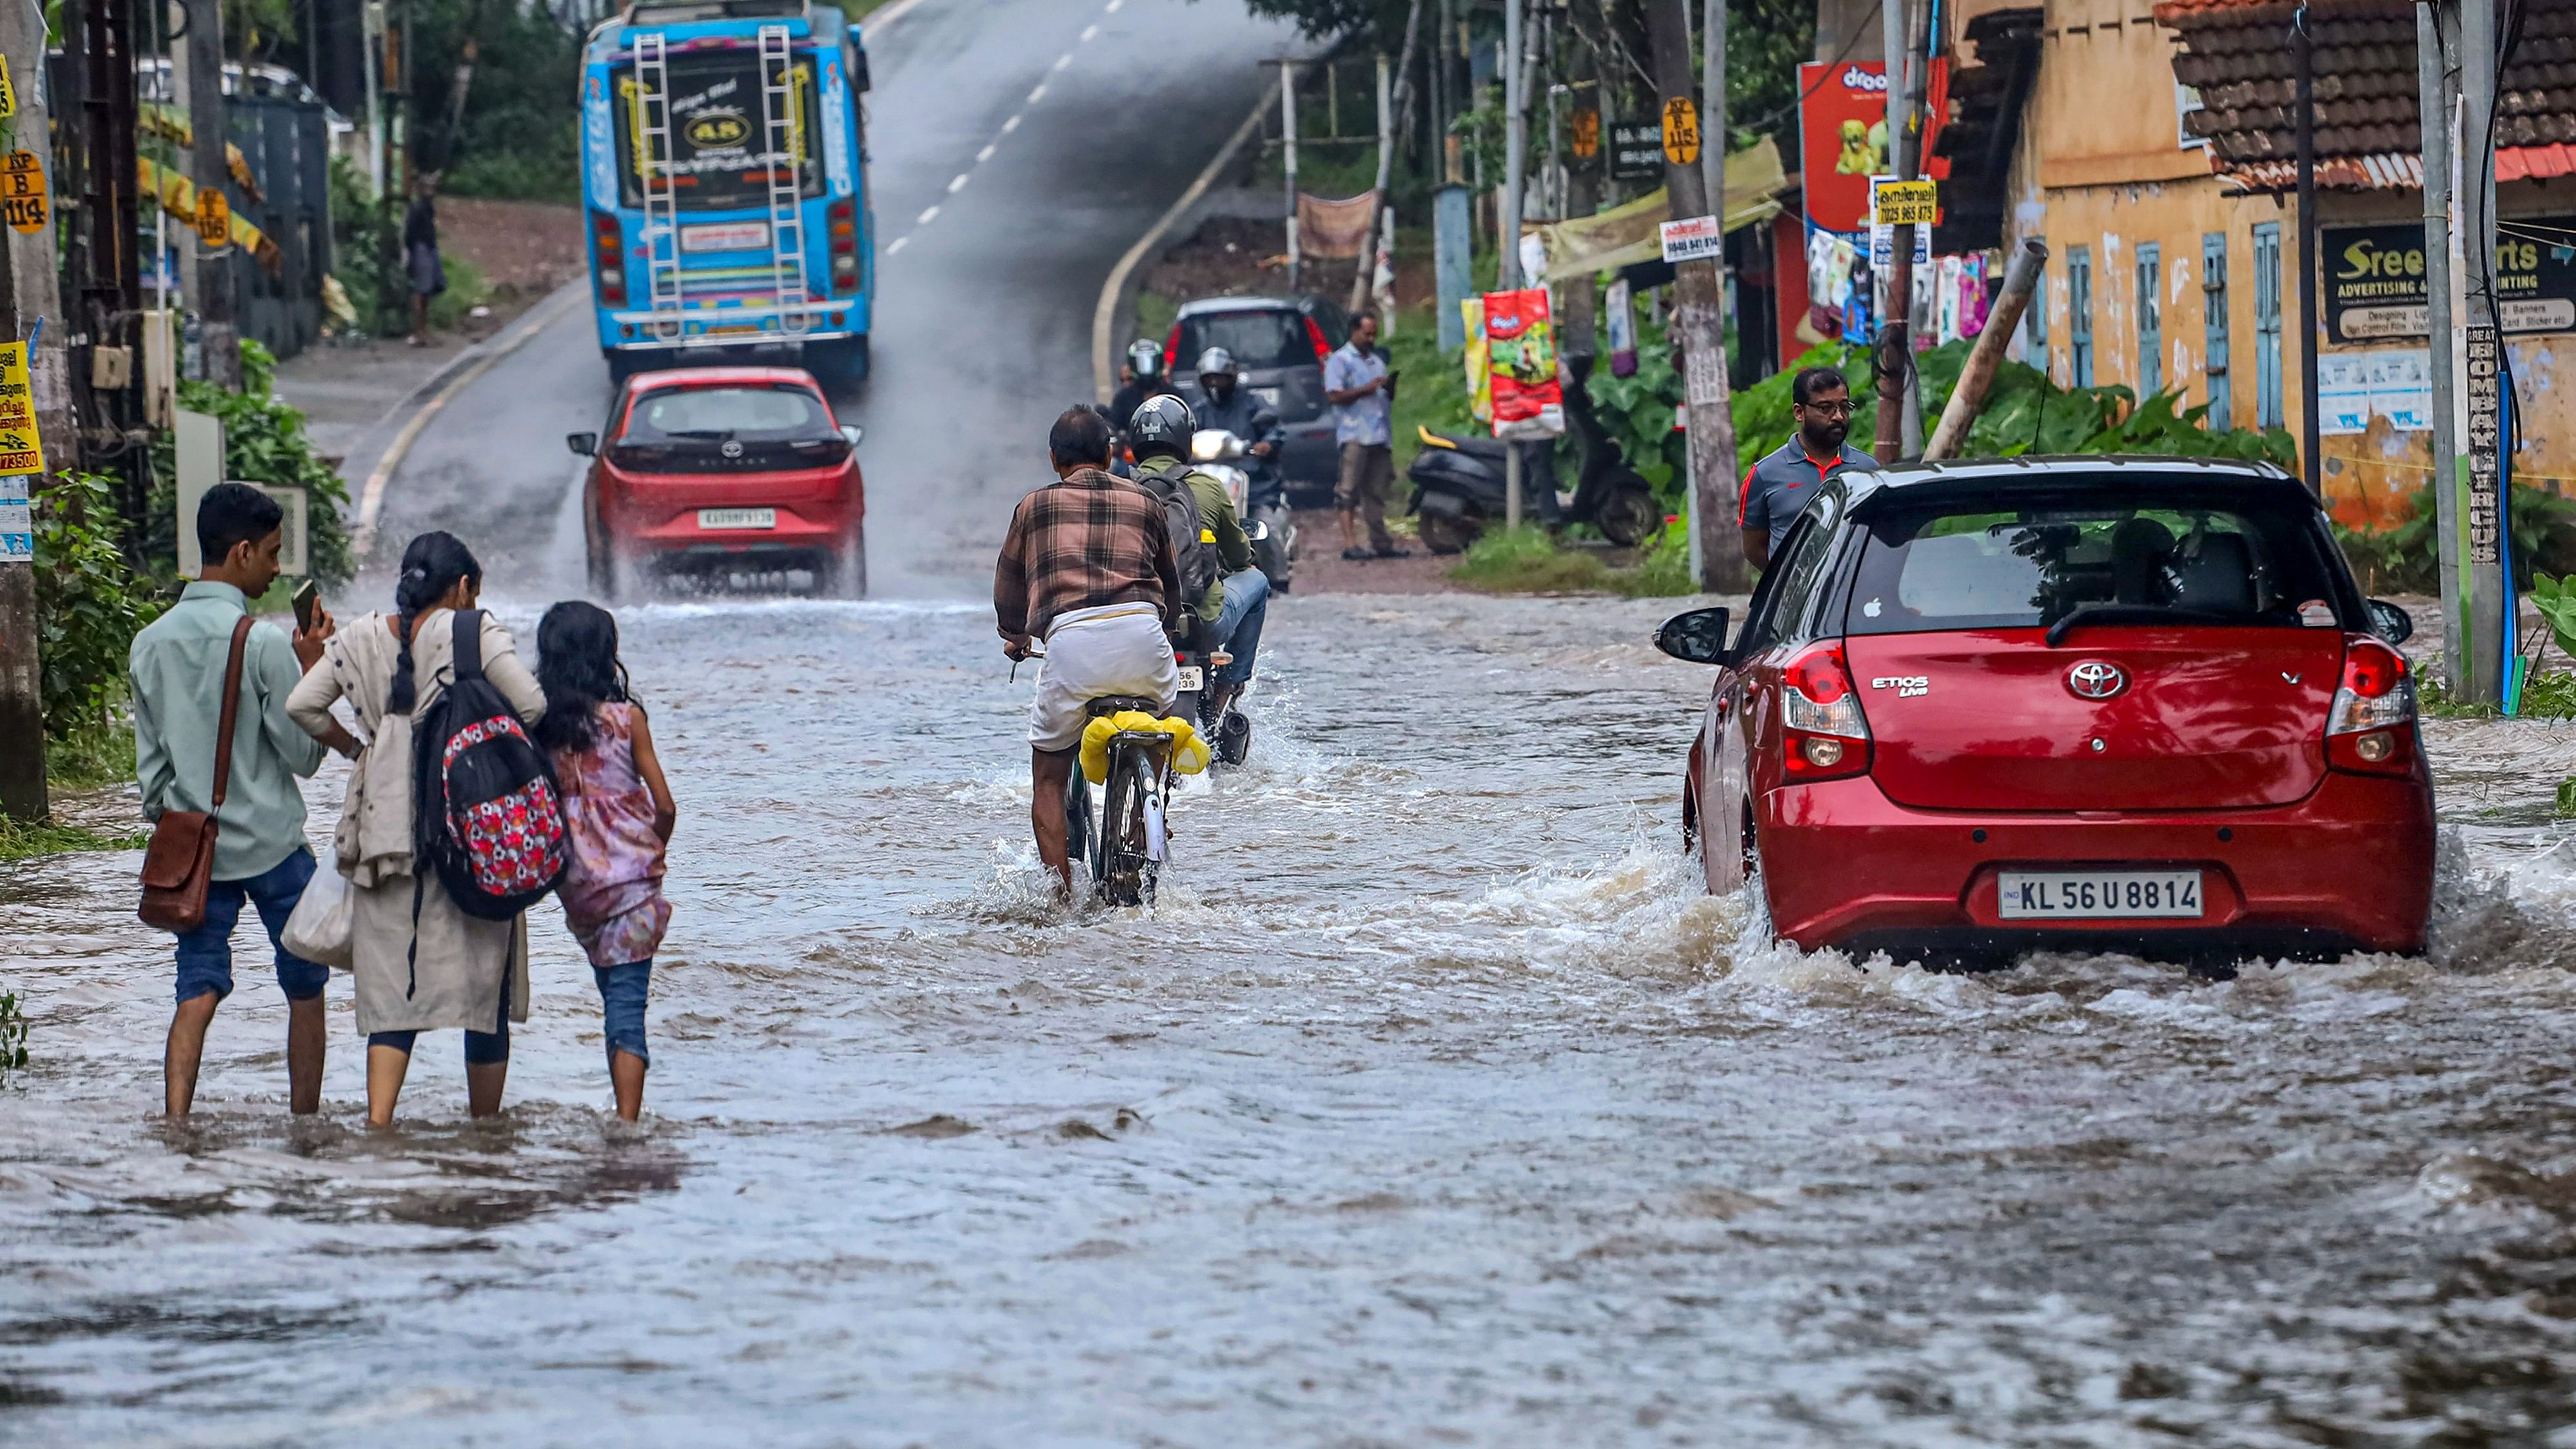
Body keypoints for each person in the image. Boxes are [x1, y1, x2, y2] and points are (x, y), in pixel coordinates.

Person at [287, 532, 545, 1127]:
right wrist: (482, 740)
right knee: (486, 997)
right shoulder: (473, 632)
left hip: (383, 831)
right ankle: (486, 1134)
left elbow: (302, 705)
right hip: (470, 825)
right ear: (461, 589)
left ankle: (379, 1127)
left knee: (391, 995)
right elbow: (530, 705)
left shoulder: (355, 639)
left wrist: (358, 747)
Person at [133, 484, 357, 1118]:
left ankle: (176, 1122)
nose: (277, 568)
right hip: (275, 849)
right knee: (305, 985)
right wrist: (313, 669)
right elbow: (303, 756)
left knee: (197, 987)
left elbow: (152, 776)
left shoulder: (149, 643)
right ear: (240, 553)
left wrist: (183, 825)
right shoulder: (260, 644)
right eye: (271, 553)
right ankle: (305, 1124)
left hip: (196, 853)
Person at [995, 406, 1184, 897]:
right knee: (1162, 723)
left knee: (1049, 778)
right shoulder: (1145, 501)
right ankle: (1143, 825)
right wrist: (1161, 628)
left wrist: (1015, 634)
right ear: (1109, 454)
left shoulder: (1033, 506)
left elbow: (1009, 585)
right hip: (1144, 637)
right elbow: (1171, 583)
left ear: (1054, 459)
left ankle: (1059, 900)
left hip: (1073, 647)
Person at [535, 602, 675, 1123]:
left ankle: (622, 1110)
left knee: (610, 997)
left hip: (576, 890)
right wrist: (650, 850)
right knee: (627, 1007)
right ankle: (627, 1124)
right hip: (631, 888)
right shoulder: (626, 720)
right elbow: (664, 805)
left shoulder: (542, 727)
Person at [1127, 393, 1266, 742]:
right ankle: (1228, 687)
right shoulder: (1208, 486)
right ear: (1183, 438)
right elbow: (1238, 557)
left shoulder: (1120, 489)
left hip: (1136, 619)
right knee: (1259, 582)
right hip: (1200, 621)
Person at [1738, 366, 1877, 571]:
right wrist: (1786, 582)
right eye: (1825, 408)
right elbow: (1754, 548)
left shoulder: (1868, 469)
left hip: (1853, 595)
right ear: (1799, 412)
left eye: (1844, 407)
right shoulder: (1765, 474)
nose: (1838, 416)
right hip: (1793, 599)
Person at [1323, 312, 1408, 562]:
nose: (1371, 339)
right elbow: (1334, 396)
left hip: (1379, 434)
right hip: (1354, 434)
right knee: (1348, 491)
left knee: (1376, 491)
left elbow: (1384, 397)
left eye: (1374, 334)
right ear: (1354, 332)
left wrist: (1388, 387)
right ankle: (1350, 544)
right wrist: (1367, 389)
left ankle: (1381, 542)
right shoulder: (1340, 361)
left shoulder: (1376, 360)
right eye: (1367, 333)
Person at [403, 173, 446, 347]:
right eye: (426, 187)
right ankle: (418, 331)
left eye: (432, 188)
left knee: (428, 290)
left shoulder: (428, 207)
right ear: (420, 189)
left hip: (429, 248)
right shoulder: (417, 208)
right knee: (421, 291)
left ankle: (423, 329)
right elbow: (409, 234)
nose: (430, 191)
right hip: (421, 249)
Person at [1106, 338, 1178, 433]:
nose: (1146, 369)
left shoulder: (1173, 395)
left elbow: (1188, 422)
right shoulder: (1123, 397)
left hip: (1168, 447)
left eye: (1150, 362)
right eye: (1142, 363)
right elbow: (1114, 425)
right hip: (1133, 447)